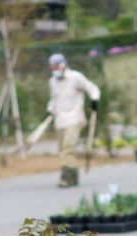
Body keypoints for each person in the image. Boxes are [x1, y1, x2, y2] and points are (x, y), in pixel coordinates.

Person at [46, 53, 100, 189]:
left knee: (68, 148)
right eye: (52, 66)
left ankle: (67, 177)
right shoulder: (52, 81)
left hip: (74, 118)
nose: (55, 69)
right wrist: (50, 109)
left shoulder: (76, 77)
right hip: (60, 120)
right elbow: (54, 99)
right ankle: (74, 175)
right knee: (62, 149)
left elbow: (92, 88)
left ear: (64, 64)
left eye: (57, 65)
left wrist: (94, 99)